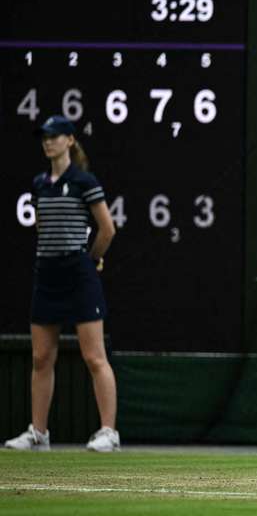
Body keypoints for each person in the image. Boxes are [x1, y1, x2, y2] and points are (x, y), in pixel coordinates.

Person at [4, 115, 120, 452]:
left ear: (70, 140)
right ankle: (38, 433)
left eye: (55, 136)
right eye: (45, 137)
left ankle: (108, 432)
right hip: (47, 274)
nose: (48, 142)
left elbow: (107, 230)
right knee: (41, 357)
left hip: (79, 274)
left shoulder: (85, 181)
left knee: (94, 356)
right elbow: (42, 228)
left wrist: (91, 259)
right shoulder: (39, 184)